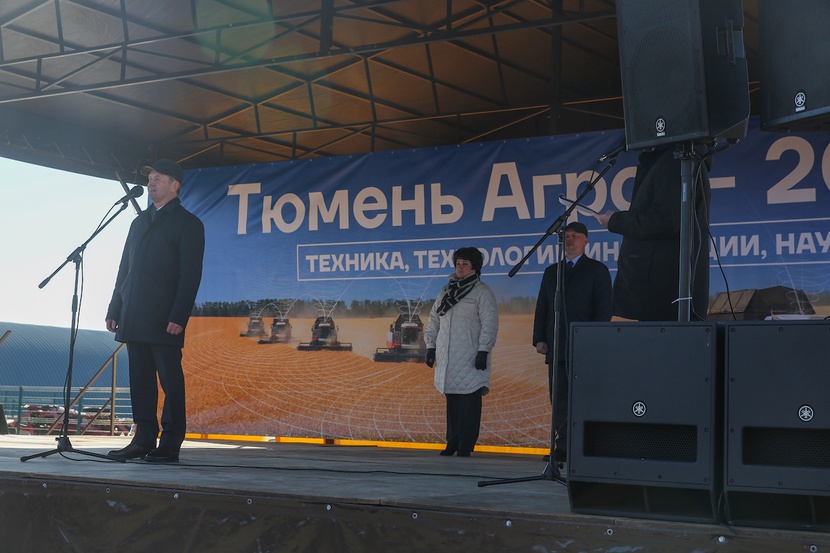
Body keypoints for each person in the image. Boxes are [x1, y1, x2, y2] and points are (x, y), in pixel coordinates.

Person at [105, 159, 205, 463]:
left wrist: (179, 315)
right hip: (134, 314)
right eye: (150, 178)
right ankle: (143, 439)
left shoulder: (188, 224)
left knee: (170, 382)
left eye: (159, 178)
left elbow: (190, 275)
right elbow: (124, 269)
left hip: (164, 318)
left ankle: (171, 443)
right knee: (141, 380)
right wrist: (115, 307)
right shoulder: (139, 222)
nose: (151, 182)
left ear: (175, 186)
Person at [595, 144, 711, 321]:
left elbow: (665, 220)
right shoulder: (667, 161)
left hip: (662, 296)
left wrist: (615, 221)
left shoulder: (675, 160)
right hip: (655, 296)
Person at [532, 221, 612, 462]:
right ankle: (563, 446)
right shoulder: (552, 272)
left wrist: (593, 339)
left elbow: (604, 309)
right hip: (557, 345)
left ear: (586, 241)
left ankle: (586, 446)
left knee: (584, 397)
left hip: (584, 347)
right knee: (559, 399)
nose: (570, 239)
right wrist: (539, 338)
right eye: (566, 236)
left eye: (575, 236)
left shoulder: (597, 270)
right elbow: (542, 307)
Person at [424, 247, 499, 457]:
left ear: (475, 267)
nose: (460, 267)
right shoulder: (445, 291)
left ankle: (466, 444)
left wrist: (484, 349)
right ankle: (452, 442)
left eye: (465, 263)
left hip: (470, 355)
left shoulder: (482, 292)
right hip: (448, 357)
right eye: (458, 263)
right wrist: (430, 346)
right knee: (453, 401)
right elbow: (433, 320)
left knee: (469, 401)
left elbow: (490, 323)